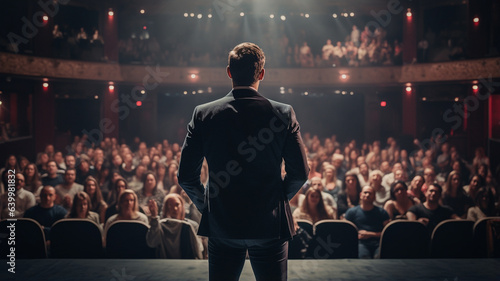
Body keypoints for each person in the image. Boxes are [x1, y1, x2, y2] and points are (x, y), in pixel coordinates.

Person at [178, 42, 308, 281]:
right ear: (261, 74)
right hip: (269, 225)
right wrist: (276, 201)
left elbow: (186, 176)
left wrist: (207, 207)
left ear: (229, 72)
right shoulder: (283, 113)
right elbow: (299, 173)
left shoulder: (203, 113)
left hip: (223, 224)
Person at [146, 195, 203, 259]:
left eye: (177, 204)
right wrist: (154, 217)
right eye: (170, 205)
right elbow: (152, 243)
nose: (175, 208)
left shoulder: (192, 225)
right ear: (166, 208)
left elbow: (198, 249)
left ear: (182, 206)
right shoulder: (159, 225)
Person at [345, 186, 390, 259]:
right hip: (360, 243)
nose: (367, 195)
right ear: (360, 195)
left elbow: (388, 233)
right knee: (364, 258)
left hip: (378, 244)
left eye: (370, 193)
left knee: (379, 258)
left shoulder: (382, 213)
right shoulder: (351, 212)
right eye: (365, 192)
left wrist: (370, 234)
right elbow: (345, 231)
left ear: (374, 197)